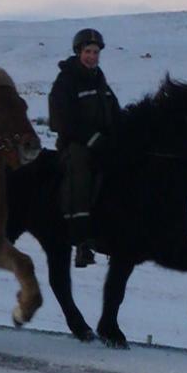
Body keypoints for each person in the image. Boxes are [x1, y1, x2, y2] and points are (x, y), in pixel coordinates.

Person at [48, 28, 120, 268]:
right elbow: (62, 119)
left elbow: (114, 111)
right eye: (88, 51)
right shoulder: (66, 80)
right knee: (81, 172)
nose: (92, 56)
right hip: (75, 144)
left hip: (103, 142)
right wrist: (91, 139)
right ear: (79, 52)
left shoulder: (100, 80)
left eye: (96, 52)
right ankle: (81, 239)